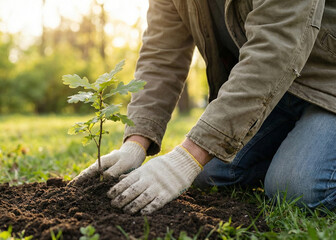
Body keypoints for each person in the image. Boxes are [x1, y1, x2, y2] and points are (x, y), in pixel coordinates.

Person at [71, 0, 336, 215]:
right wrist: (135, 143)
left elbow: (275, 49)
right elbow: (161, 55)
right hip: (272, 97)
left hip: (328, 84)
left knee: (300, 189)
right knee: (208, 175)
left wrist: (189, 155)